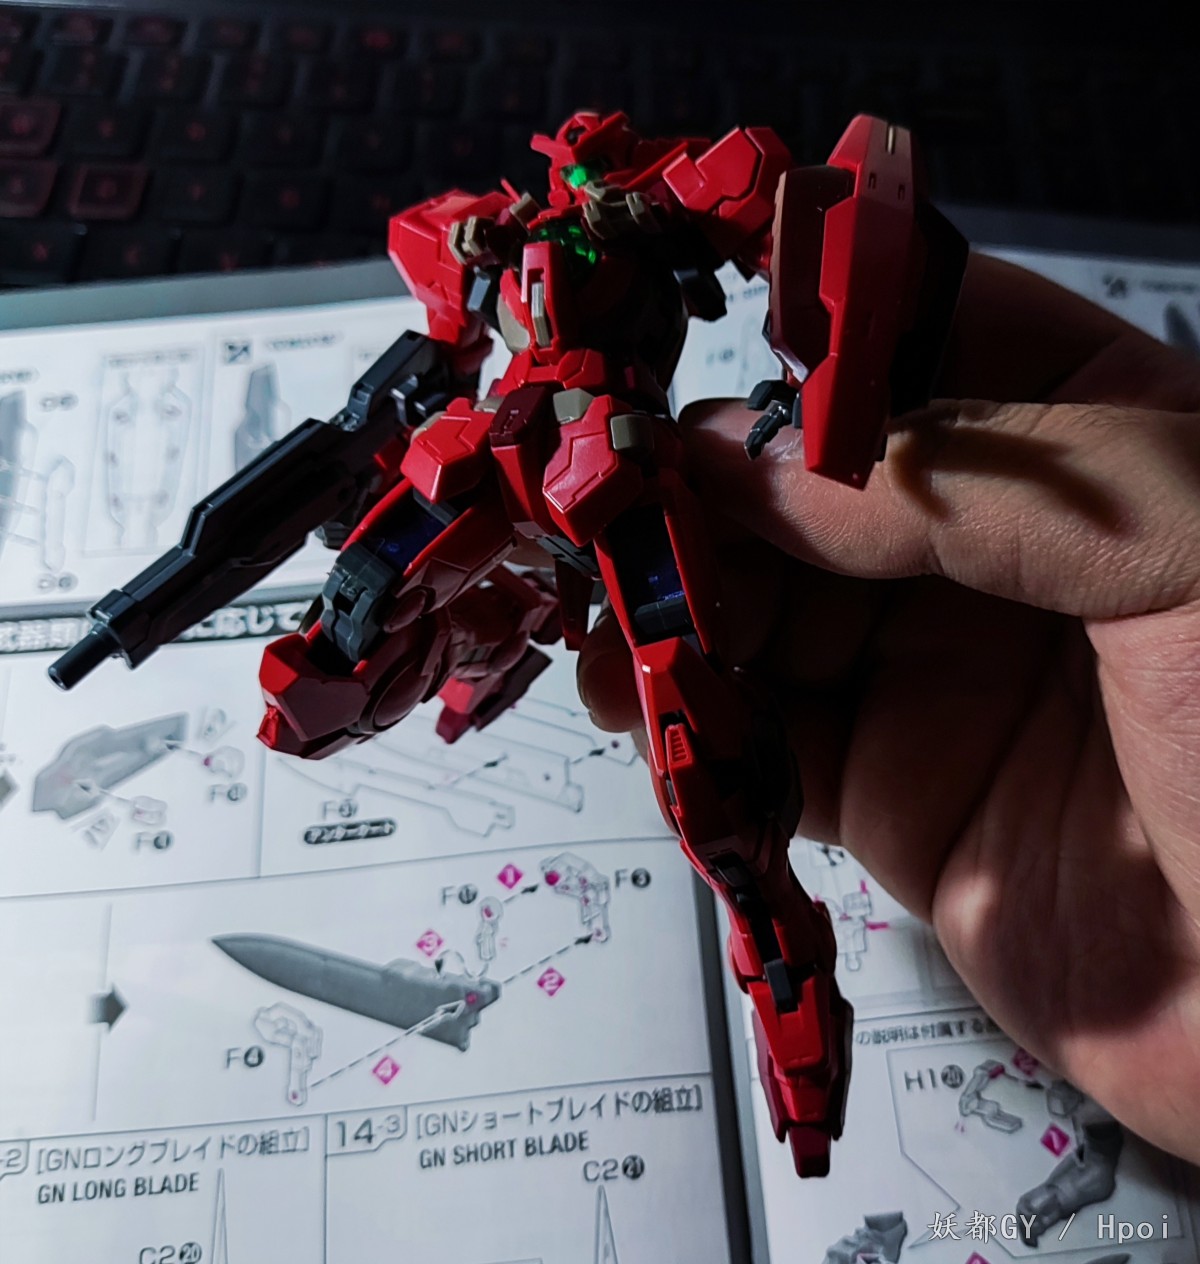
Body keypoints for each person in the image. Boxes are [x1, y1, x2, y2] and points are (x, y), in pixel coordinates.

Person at [576, 252, 1200, 1164]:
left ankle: (802, 1066)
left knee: (717, 801)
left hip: (650, 477)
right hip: (587, 471)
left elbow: (797, 241)